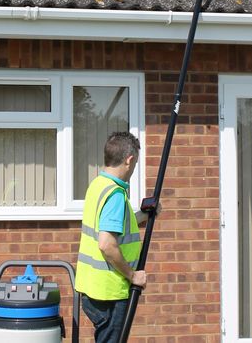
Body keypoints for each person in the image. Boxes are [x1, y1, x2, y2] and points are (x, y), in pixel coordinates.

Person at [75, 131, 152, 343]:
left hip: (93, 289)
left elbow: (113, 226)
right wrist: (132, 275)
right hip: (109, 292)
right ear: (129, 160)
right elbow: (107, 244)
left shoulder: (98, 185)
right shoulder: (116, 195)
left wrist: (144, 215)